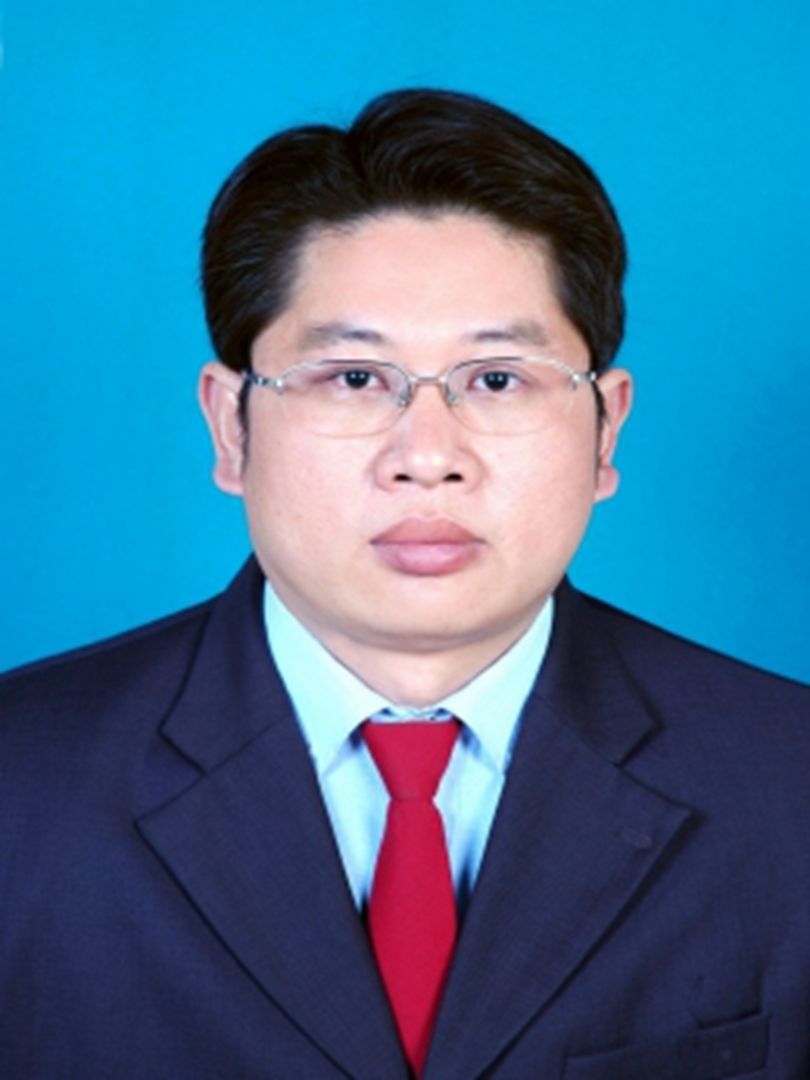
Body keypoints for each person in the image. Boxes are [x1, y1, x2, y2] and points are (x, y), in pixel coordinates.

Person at [1, 88, 809, 1080]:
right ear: (230, 427)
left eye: (498, 379)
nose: (428, 457)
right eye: (353, 378)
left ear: (607, 430)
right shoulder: (19, 786)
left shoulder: (790, 785)